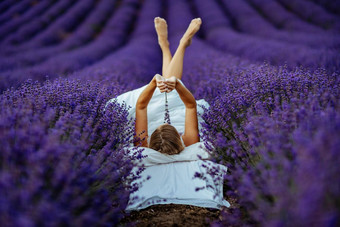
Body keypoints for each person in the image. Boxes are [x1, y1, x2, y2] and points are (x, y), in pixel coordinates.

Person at [134, 17, 202, 155]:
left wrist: (155, 83)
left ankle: (167, 46)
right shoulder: (188, 142)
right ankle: (180, 43)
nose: (167, 120)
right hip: (169, 102)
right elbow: (190, 105)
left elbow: (141, 106)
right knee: (169, 83)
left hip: (152, 103)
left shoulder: (143, 146)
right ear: (179, 137)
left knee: (167, 81)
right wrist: (174, 84)